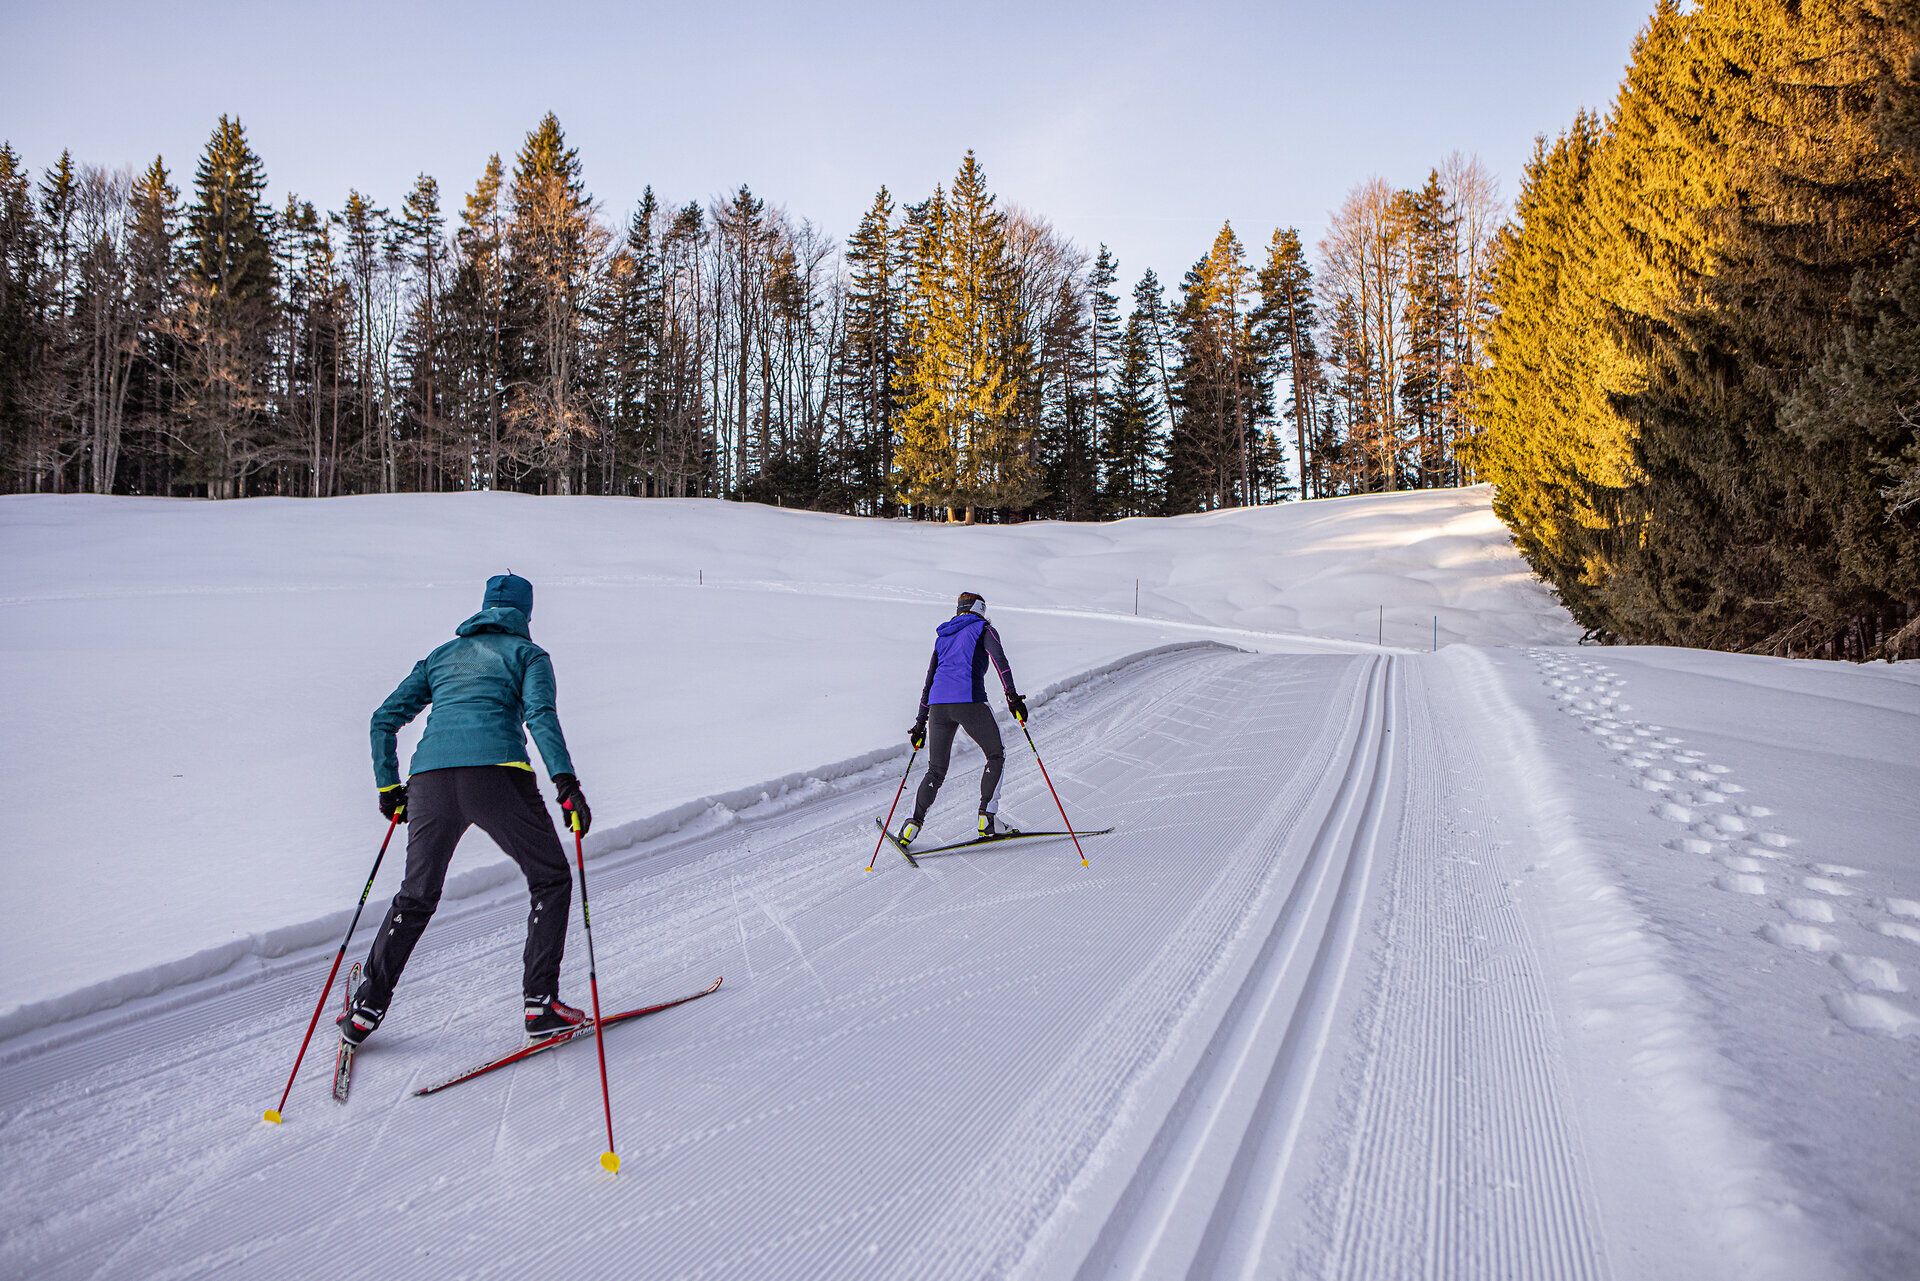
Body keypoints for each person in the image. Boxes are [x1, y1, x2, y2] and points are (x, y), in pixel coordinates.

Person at [342, 572, 593, 1047]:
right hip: (497, 776)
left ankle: (365, 1010)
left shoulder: (441, 655)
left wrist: (388, 787)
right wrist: (566, 783)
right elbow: (539, 715)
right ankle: (540, 1005)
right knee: (551, 878)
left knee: (415, 897)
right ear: (526, 613)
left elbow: (383, 720)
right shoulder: (529, 655)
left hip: (429, 783)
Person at [898, 591, 1029, 847]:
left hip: (938, 707)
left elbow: (929, 680)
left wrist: (919, 723)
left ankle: (911, 826)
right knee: (995, 754)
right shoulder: (984, 629)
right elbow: (1000, 661)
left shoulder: (943, 636)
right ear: (980, 609)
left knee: (936, 769)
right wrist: (1012, 698)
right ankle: (987, 818)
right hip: (970, 701)